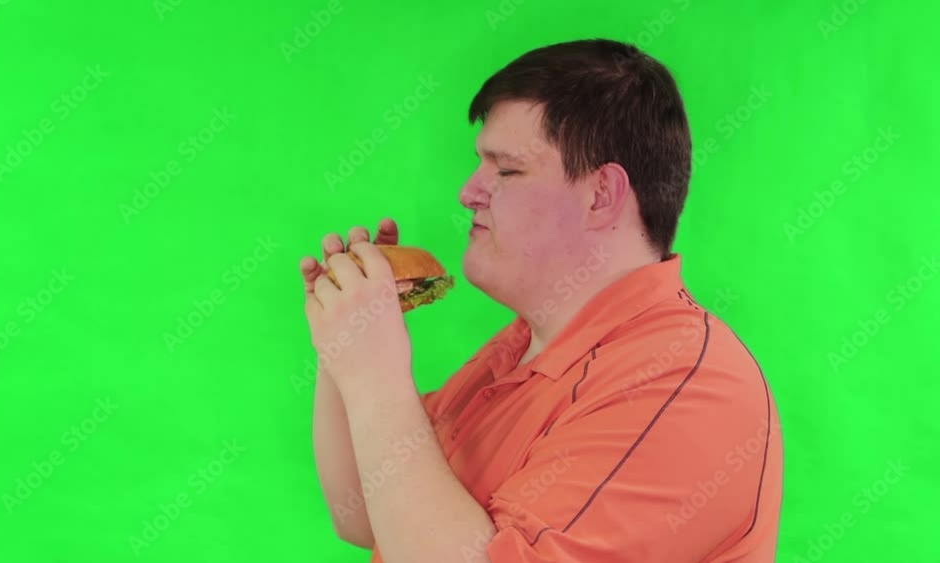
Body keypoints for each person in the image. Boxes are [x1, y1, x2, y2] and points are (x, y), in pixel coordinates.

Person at [299, 39, 782, 563]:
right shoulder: (519, 353)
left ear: (601, 195)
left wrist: (377, 378)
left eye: (505, 170)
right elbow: (367, 517)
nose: (467, 191)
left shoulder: (687, 382)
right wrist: (344, 343)